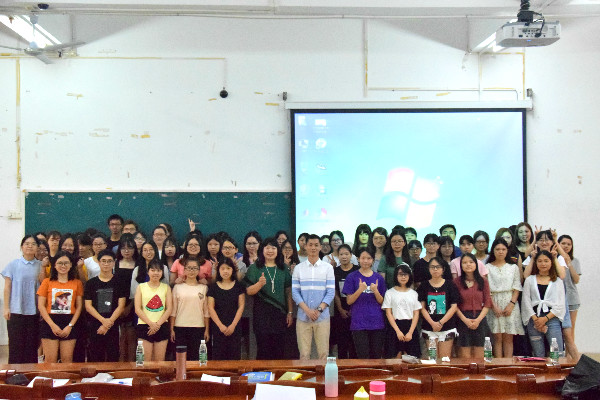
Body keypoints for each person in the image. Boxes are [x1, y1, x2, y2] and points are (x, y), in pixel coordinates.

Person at [244, 237, 293, 360]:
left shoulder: (283, 268)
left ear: (278, 250)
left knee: (279, 350)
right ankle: (263, 373)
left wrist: (290, 312)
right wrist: (259, 284)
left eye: (273, 248)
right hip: (261, 313)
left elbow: (288, 292)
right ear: (262, 250)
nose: (270, 251)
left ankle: (277, 373)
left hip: (280, 314)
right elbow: (248, 291)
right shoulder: (255, 268)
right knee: (263, 350)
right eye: (267, 248)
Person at [292, 234, 335, 360]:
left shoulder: (328, 268)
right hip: (303, 317)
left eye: (316, 245)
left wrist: (318, 310)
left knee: (323, 354)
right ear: (305, 246)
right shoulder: (298, 268)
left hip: (322, 317)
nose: (313, 248)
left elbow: (330, 292)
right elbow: (295, 292)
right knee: (304, 354)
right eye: (310, 245)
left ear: (320, 247)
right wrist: (308, 311)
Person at [37, 251, 83, 363]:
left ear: (71, 265)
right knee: (50, 360)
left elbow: (79, 306)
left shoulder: (77, 283)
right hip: (50, 322)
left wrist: (70, 326)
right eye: (60, 263)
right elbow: (41, 306)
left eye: (66, 263)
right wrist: (52, 325)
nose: (63, 266)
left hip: (69, 322)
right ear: (54, 265)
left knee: (67, 359)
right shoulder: (47, 282)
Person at [2, 235, 42, 364]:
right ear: (21, 247)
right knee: (16, 345)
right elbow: (7, 287)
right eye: (27, 243)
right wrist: (6, 308)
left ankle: (30, 373)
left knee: (32, 345)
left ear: (37, 247)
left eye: (33, 244)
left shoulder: (41, 265)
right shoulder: (13, 264)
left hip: (34, 311)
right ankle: (14, 373)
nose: (30, 246)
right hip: (16, 310)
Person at [342, 247, 387, 359]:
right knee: (363, 357)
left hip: (377, 322)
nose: (365, 261)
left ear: (373, 260)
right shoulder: (352, 277)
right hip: (359, 323)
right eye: (363, 258)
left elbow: (383, 302)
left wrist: (375, 291)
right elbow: (349, 301)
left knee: (376, 356)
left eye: (369, 258)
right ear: (358, 259)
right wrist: (360, 289)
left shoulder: (379, 278)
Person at [521, 250, 565, 357]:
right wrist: (536, 320)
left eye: (546, 261)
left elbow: (560, 304)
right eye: (540, 261)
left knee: (557, 353)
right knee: (538, 354)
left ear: (551, 262)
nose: (543, 264)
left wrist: (545, 319)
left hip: (552, 319)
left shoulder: (557, 281)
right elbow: (526, 301)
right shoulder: (529, 280)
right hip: (534, 320)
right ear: (536, 263)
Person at [84, 249, 126, 362]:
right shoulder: (91, 283)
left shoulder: (120, 282)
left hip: (113, 324)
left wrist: (108, 324)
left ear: (114, 263)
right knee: (95, 357)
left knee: (113, 357)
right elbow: (88, 306)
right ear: (98, 262)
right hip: (95, 325)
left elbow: (121, 306)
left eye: (109, 261)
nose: (106, 264)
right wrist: (103, 321)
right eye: (103, 261)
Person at [486, 238, 524, 358]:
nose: (500, 252)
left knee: (508, 338)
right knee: (497, 338)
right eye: (497, 249)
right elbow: (486, 290)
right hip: (494, 302)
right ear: (493, 251)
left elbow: (517, 287)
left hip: (510, 302)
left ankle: (508, 365)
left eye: (503, 249)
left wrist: (511, 304)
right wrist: (493, 306)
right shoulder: (487, 267)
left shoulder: (513, 267)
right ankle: (498, 364)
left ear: (507, 251)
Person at [417, 257, 460, 359]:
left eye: (438, 267)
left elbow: (454, 307)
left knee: (444, 359)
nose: (435, 269)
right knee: (433, 359)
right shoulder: (424, 285)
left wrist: (440, 323)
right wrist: (433, 323)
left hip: (447, 327)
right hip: (429, 327)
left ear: (443, 269)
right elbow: (422, 308)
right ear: (428, 269)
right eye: (432, 267)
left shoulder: (450, 285)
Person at [169, 257, 210, 361]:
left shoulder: (203, 288)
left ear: (199, 270)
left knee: (196, 359)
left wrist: (207, 330)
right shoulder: (177, 287)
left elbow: (206, 312)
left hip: (198, 327)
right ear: (184, 270)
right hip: (180, 327)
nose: (192, 271)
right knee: (180, 359)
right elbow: (173, 310)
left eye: (195, 268)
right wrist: (172, 329)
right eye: (189, 268)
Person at [454, 253, 492, 358]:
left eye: (471, 262)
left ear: (476, 264)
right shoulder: (456, 282)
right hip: (462, 319)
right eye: (465, 262)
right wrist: (465, 320)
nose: (468, 265)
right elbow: (454, 305)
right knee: (465, 357)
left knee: (479, 357)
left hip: (480, 318)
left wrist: (478, 320)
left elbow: (488, 303)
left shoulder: (483, 281)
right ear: (461, 265)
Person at [134, 259, 172, 361]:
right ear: (148, 271)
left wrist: (157, 325)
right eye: (153, 270)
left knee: (159, 361)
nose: (156, 273)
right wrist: (151, 324)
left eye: (158, 270)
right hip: (144, 326)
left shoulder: (166, 287)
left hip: (162, 326)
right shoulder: (141, 287)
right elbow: (137, 309)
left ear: (162, 272)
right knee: (145, 362)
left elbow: (169, 309)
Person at [208, 258, 245, 360]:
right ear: (218, 270)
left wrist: (233, 325)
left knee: (234, 356)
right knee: (218, 356)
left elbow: (241, 306)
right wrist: (220, 326)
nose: (225, 271)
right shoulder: (213, 287)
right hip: (218, 327)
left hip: (235, 326)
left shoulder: (239, 286)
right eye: (222, 268)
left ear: (233, 270)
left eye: (228, 268)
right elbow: (210, 307)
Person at [381, 264, 421, 358]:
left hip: (410, 326)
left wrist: (410, 332)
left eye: (405, 274)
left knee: (412, 359)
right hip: (394, 327)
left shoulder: (414, 293)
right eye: (400, 274)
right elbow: (388, 313)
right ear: (396, 276)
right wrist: (398, 331)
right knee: (393, 359)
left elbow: (416, 313)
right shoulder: (389, 293)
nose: (403, 277)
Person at [114, 234, 139, 361]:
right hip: (117, 303)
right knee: (120, 337)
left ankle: (131, 365)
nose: (126, 251)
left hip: (133, 303)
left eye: (130, 248)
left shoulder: (138, 264)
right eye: (123, 248)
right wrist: (120, 306)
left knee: (131, 336)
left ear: (134, 249)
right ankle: (120, 364)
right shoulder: (115, 263)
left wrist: (130, 306)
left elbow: (137, 288)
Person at [332, 244, 359, 359]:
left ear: (351, 255)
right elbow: (335, 292)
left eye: (346, 254)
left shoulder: (357, 270)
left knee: (354, 342)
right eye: (341, 254)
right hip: (340, 310)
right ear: (338, 256)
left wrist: (353, 309)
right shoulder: (335, 271)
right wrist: (340, 309)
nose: (344, 256)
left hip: (356, 309)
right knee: (342, 342)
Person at [558, 234, 581, 337]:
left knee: (570, 329)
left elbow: (576, 280)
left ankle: (570, 349)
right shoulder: (554, 259)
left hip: (572, 298)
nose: (566, 246)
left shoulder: (575, 261)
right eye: (563, 243)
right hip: (557, 299)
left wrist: (569, 263)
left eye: (569, 244)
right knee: (558, 329)